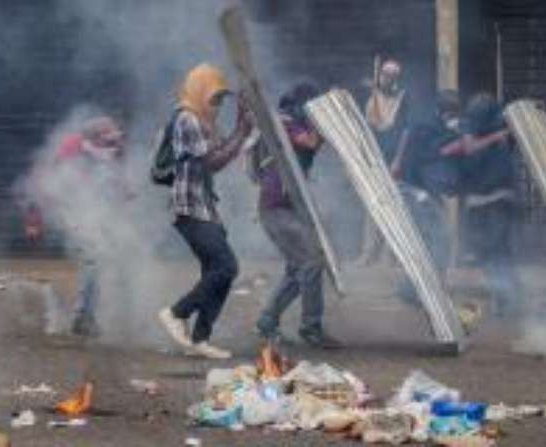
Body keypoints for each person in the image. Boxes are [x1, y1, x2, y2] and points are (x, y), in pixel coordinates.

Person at [157, 63, 254, 359]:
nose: (217, 104)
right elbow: (213, 161)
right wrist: (241, 132)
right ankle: (176, 313)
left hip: (204, 206)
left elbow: (223, 149)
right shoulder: (187, 119)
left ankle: (200, 339)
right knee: (226, 267)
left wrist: (239, 126)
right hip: (190, 207)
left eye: (220, 99)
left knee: (218, 272)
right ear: (197, 91)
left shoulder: (203, 121)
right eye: (213, 97)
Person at [249, 83, 343, 349]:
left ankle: (267, 322)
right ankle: (311, 328)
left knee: (298, 268)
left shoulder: (289, 121)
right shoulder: (284, 122)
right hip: (276, 206)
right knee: (311, 262)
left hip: (287, 206)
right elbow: (309, 141)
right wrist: (327, 123)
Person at [23, 115, 128, 337]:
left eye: (115, 138)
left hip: (90, 211)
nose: (115, 143)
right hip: (69, 210)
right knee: (93, 258)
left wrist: (122, 192)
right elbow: (42, 180)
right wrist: (34, 218)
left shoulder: (111, 151)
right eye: (108, 138)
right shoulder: (72, 148)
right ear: (94, 138)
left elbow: (115, 178)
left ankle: (91, 314)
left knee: (105, 259)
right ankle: (83, 318)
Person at [442, 92, 522, 318]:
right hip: (480, 202)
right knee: (489, 253)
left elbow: (467, 148)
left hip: (498, 199)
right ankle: (506, 297)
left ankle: (507, 299)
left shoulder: (503, 127)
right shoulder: (471, 128)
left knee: (498, 252)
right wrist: (496, 137)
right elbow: (464, 148)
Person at [395, 90, 463, 303]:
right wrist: (451, 143)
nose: (453, 117)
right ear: (444, 111)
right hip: (415, 190)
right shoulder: (429, 128)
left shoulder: (433, 127)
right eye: (451, 112)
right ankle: (425, 289)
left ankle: (416, 288)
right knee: (437, 238)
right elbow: (427, 156)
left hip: (423, 190)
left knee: (431, 239)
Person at [357, 58, 412, 266]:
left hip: (392, 159)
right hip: (373, 157)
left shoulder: (403, 98)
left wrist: (398, 159)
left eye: (392, 75)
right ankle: (368, 252)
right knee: (371, 204)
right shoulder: (370, 94)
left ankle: (391, 254)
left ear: (397, 78)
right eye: (385, 74)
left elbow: (406, 131)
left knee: (394, 204)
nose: (387, 78)